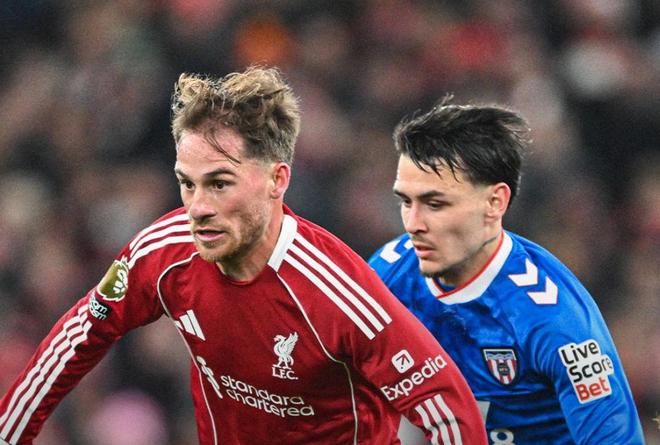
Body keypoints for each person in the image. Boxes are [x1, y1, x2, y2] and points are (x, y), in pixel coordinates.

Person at [0, 67, 487, 445]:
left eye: (219, 184)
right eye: (187, 184)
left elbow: (450, 411)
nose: (197, 207)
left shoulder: (337, 293)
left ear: (277, 180)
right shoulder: (163, 253)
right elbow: (76, 338)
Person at [369, 99, 645, 445]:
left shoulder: (552, 318)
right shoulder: (388, 275)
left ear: (495, 202)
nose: (412, 224)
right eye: (406, 202)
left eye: (435, 204)